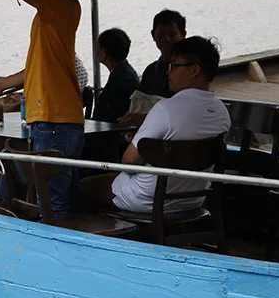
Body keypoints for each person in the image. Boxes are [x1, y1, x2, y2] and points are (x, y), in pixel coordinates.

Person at [0, 0, 83, 217]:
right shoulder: (51, 10)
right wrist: (2, 84)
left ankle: (55, 254)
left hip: (55, 122)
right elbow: (40, 66)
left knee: (52, 202)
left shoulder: (59, 2)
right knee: (57, 198)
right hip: (54, 121)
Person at [81, 36, 230, 214]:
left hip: (145, 198)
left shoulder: (166, 110)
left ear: (194, 70)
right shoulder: (222, 114)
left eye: (174, 66)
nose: (168, 72)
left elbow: (129, 160)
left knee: (84, 187)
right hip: (194, 199)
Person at [118, 9, 187, 127]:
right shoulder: (151, 71)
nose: (167, 39)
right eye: (161, 34)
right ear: (153, 36)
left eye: (172, 34)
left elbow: (185, 112)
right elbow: (138, 104)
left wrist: (145, 119)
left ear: (183, 35)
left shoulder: (190, 71)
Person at [93, 28, 139, 123]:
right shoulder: (124, 72)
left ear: (105, 52)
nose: (95, 51)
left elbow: (105, 115)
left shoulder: (119, 79)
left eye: (98, 47)